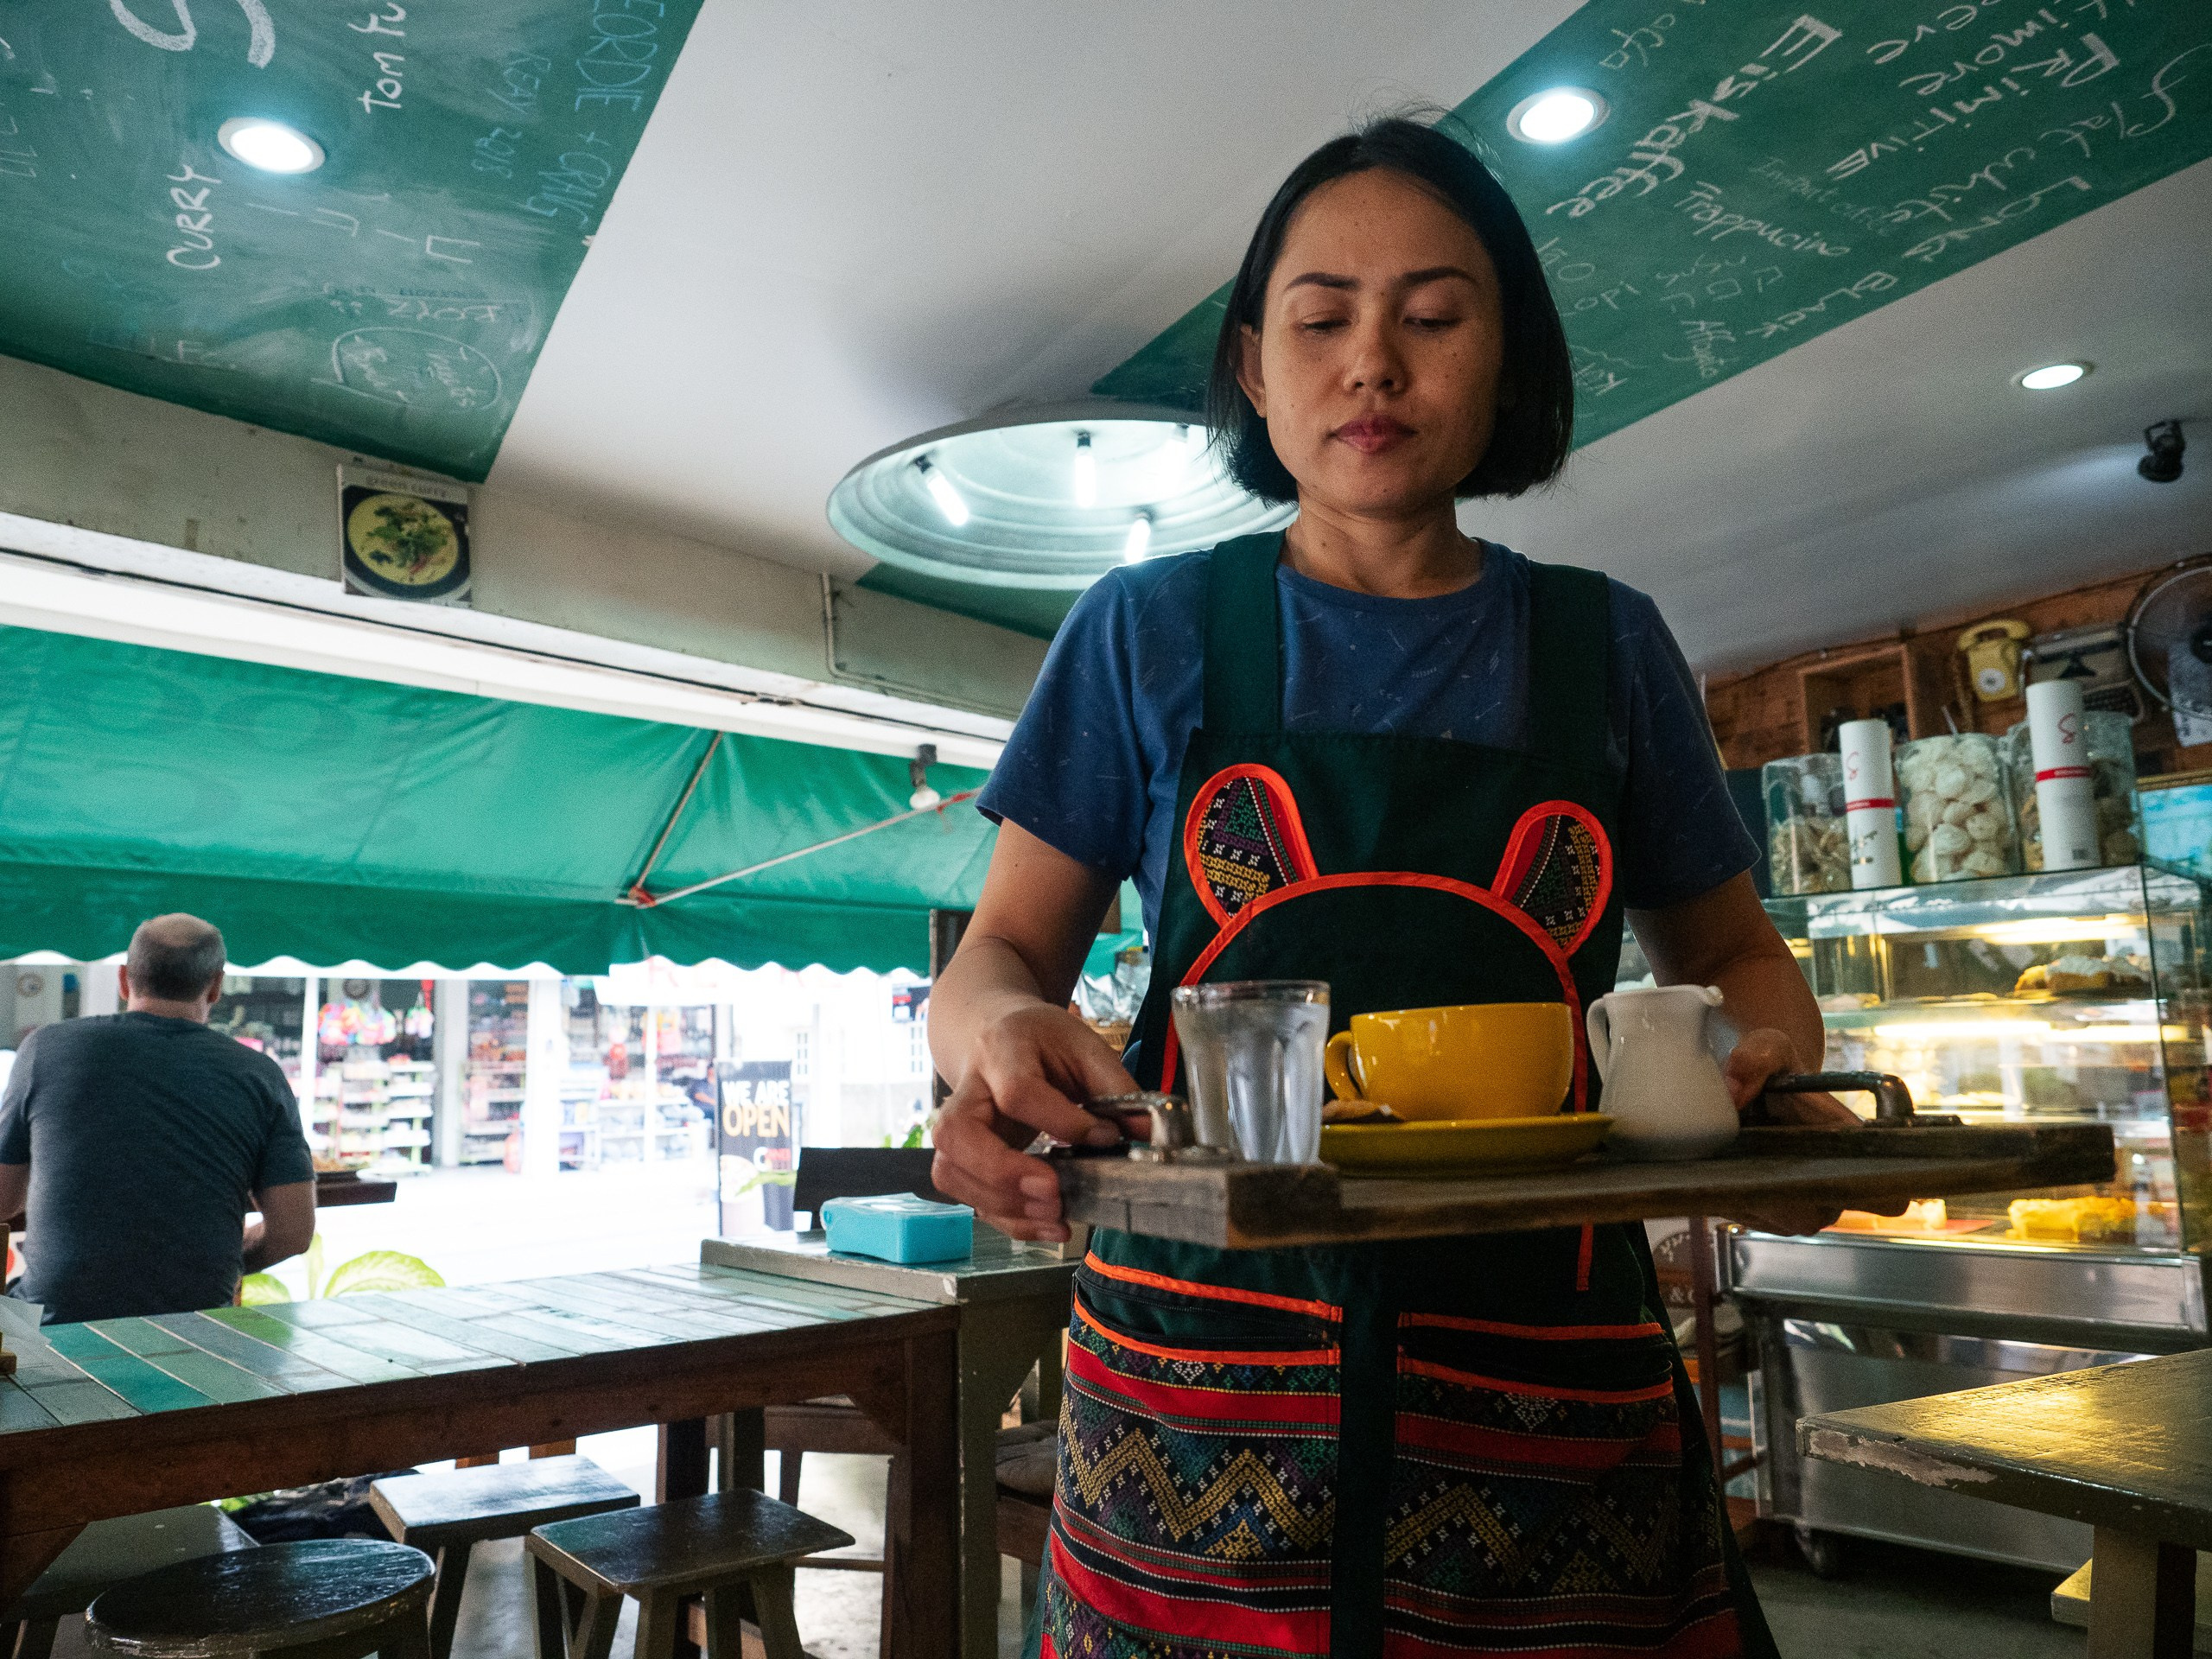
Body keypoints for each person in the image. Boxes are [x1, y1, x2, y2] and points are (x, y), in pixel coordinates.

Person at [930, 118, 1859, 1658]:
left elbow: (1743, 959)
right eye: (1321, 320)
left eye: (1431, 317)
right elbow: (1001, 957)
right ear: (1253, 366)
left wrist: (1769, 1067)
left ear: (1509, 362)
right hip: (1193, 1405)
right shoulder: (1144, 631)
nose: (1373, 362)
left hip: (1552, 1403)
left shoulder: (1610, 646)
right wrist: (991, 1042)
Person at [0, 913, 315, 1324]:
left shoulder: (47, 1049)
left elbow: (3, 1199)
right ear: (216, 986)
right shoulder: (259, 1075)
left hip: (58, 1327)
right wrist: (223, 1264)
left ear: (124, 979)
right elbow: (293, 1233)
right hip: (197, 1330)